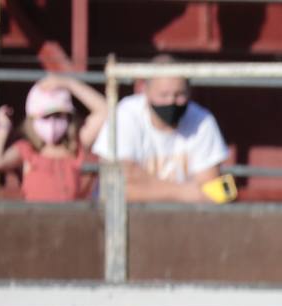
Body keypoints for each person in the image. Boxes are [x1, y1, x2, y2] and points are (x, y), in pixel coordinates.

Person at [93, 56, 232, 203]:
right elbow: (117, 187)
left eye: (179, 95)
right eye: (164, 95)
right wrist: (183, 192)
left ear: (189, 92)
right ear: (144, 90)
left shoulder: (202, 121)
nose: (171, 101)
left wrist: (144, 182)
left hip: (184, 219)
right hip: (128, 218)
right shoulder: (126, 114)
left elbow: (210, 190)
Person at [0, 76, 108, 201]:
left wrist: (68, 83)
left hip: (71, 219)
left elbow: (105, 110)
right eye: (45, 117)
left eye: (58, 116)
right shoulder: (26, 149)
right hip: (37, 219)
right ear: (32, 120)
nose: (52, 123)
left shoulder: (77, 143)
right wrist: (3, 127)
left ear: (68, 117)